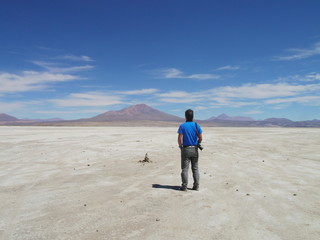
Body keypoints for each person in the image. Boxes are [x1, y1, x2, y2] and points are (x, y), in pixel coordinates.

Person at [177, 109, 203, 191]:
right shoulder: (196, 125)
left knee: (185, 169)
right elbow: (201, 137)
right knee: (195, 168)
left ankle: (184, 187)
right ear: (193, 116)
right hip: (194, 149)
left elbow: (179, 139)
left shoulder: (182, 126)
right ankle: (196, 186)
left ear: (185, 116)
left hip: (186, 149)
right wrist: (198, 143)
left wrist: (180, 146)